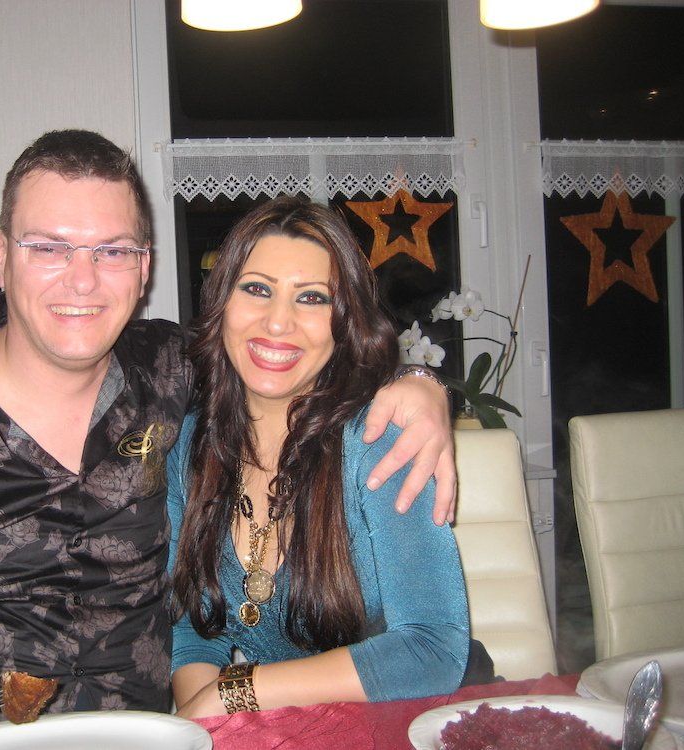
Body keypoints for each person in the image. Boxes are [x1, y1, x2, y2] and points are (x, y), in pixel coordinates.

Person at [0, 131, 454, 747]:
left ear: (144, 267)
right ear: (1, 255)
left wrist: (421, 386)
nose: (82, 281)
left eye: (111, 251)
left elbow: (290, 354)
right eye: (50, 247)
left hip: (141, 736)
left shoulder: (174, 373)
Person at [168, 197, 470, 719]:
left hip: (400, 721)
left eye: (311, 298)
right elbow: (193, 630)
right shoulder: (192, 443)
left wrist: (233, 693)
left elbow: (434, 648)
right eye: (256, 288)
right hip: (278, 727)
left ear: (343, 321)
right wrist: (209, 723)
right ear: (221, 302)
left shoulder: (379, 439)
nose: (277, 322)